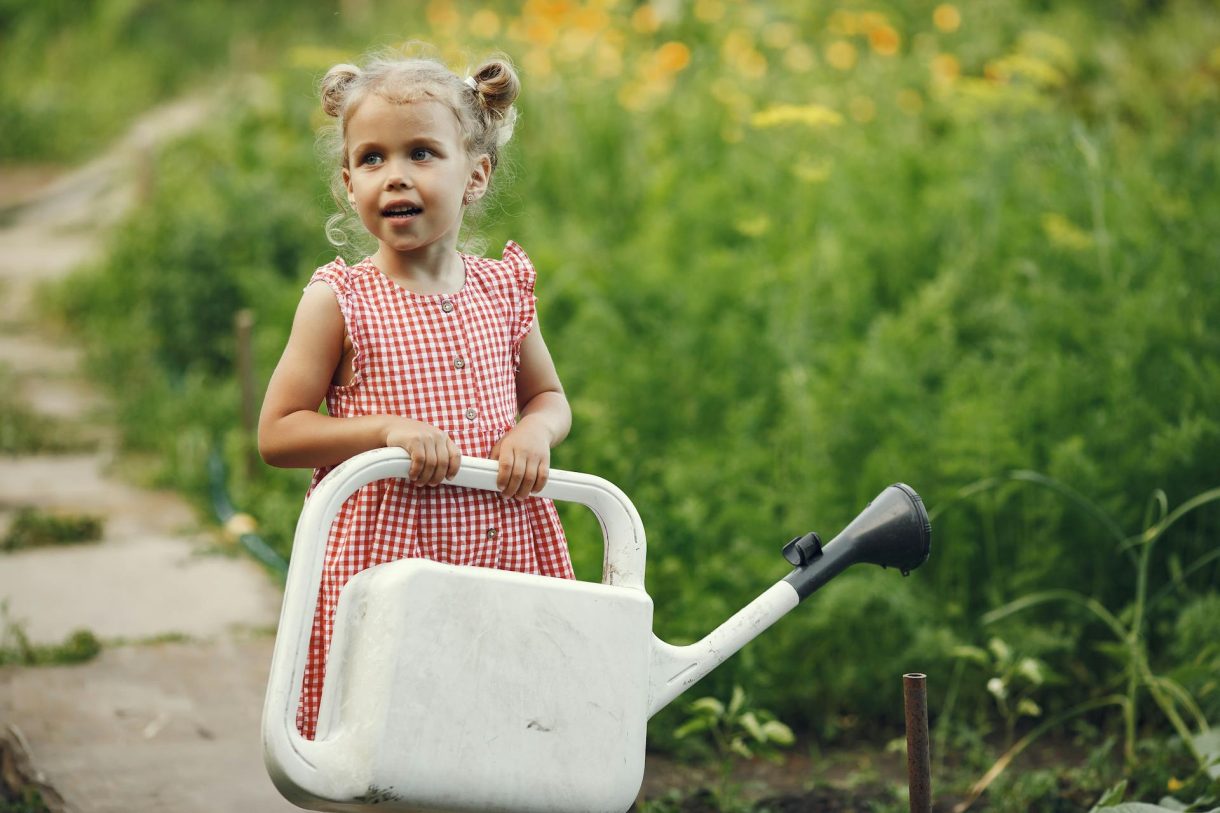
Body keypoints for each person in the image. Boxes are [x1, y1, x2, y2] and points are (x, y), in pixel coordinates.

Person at [257, 49, 574, 739]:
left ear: (476, 175)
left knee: (494, 729)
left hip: (501, 554)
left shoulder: (501, 289)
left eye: (422, 153)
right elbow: (278, 432)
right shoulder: (340, 300)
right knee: (384, 732)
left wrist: (533, 432)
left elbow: (549, 396)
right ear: (347, 184)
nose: (394, 175)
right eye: (371, 159)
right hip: (387, 565)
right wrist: (383, 431)